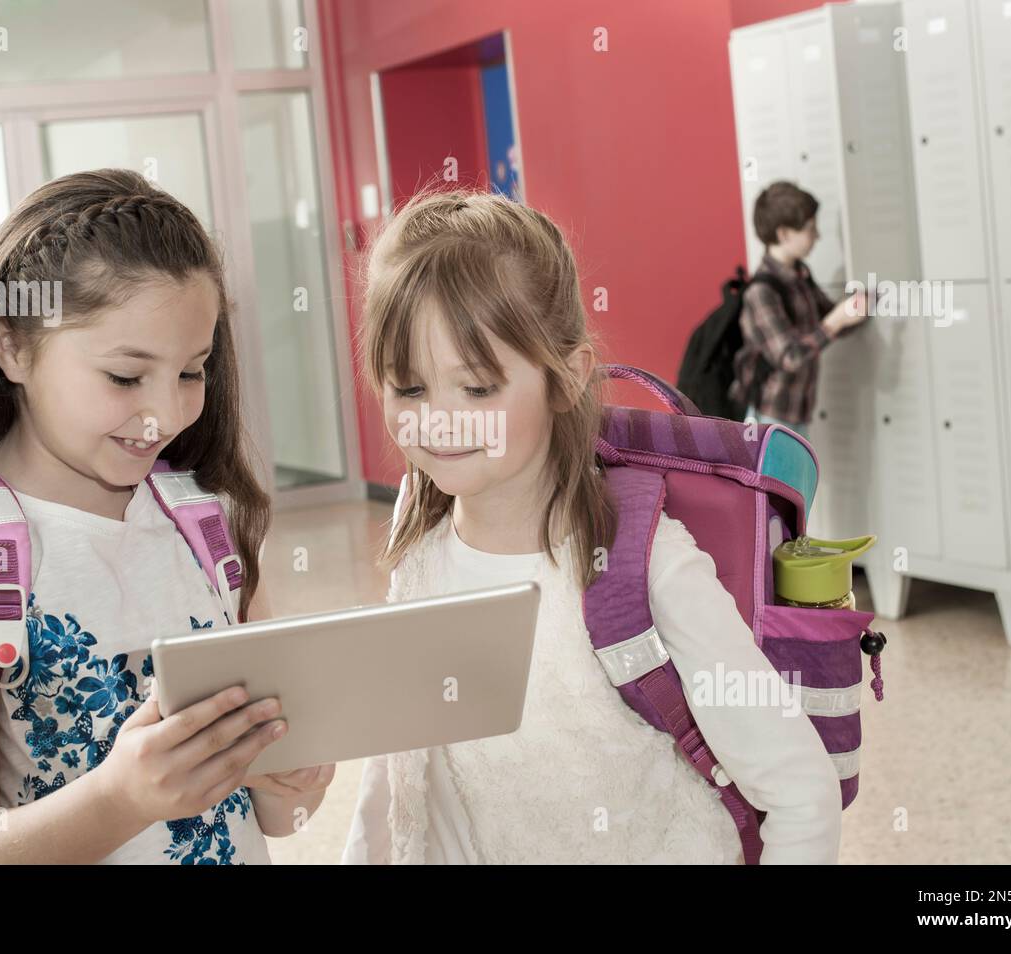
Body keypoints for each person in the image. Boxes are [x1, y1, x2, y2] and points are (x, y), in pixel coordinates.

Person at [0, 169, 333, 863]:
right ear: (14, 346)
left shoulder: (213, 526)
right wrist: (120, 799)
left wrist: (291, 780)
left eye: (192, 371)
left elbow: (276, 817)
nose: (165, 414)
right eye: (123, 376)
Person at [341, 188, 842, 864]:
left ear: (566, 377)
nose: (438, 419)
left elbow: (800, 793)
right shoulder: (419, 553)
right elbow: (403, 778)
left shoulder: (645, 564)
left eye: (478, 387)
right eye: (408, 388)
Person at [730, 181, 869, 438]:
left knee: (796, 479)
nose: (817, 235)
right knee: (779, 480)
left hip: (797, 411)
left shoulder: (799, 275)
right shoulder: (761, 291)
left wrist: (860, 309)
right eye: (810, 229)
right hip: (771, 416)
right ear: (784, 234)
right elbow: (790, 357)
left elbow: (829, 320)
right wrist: (836, 322)